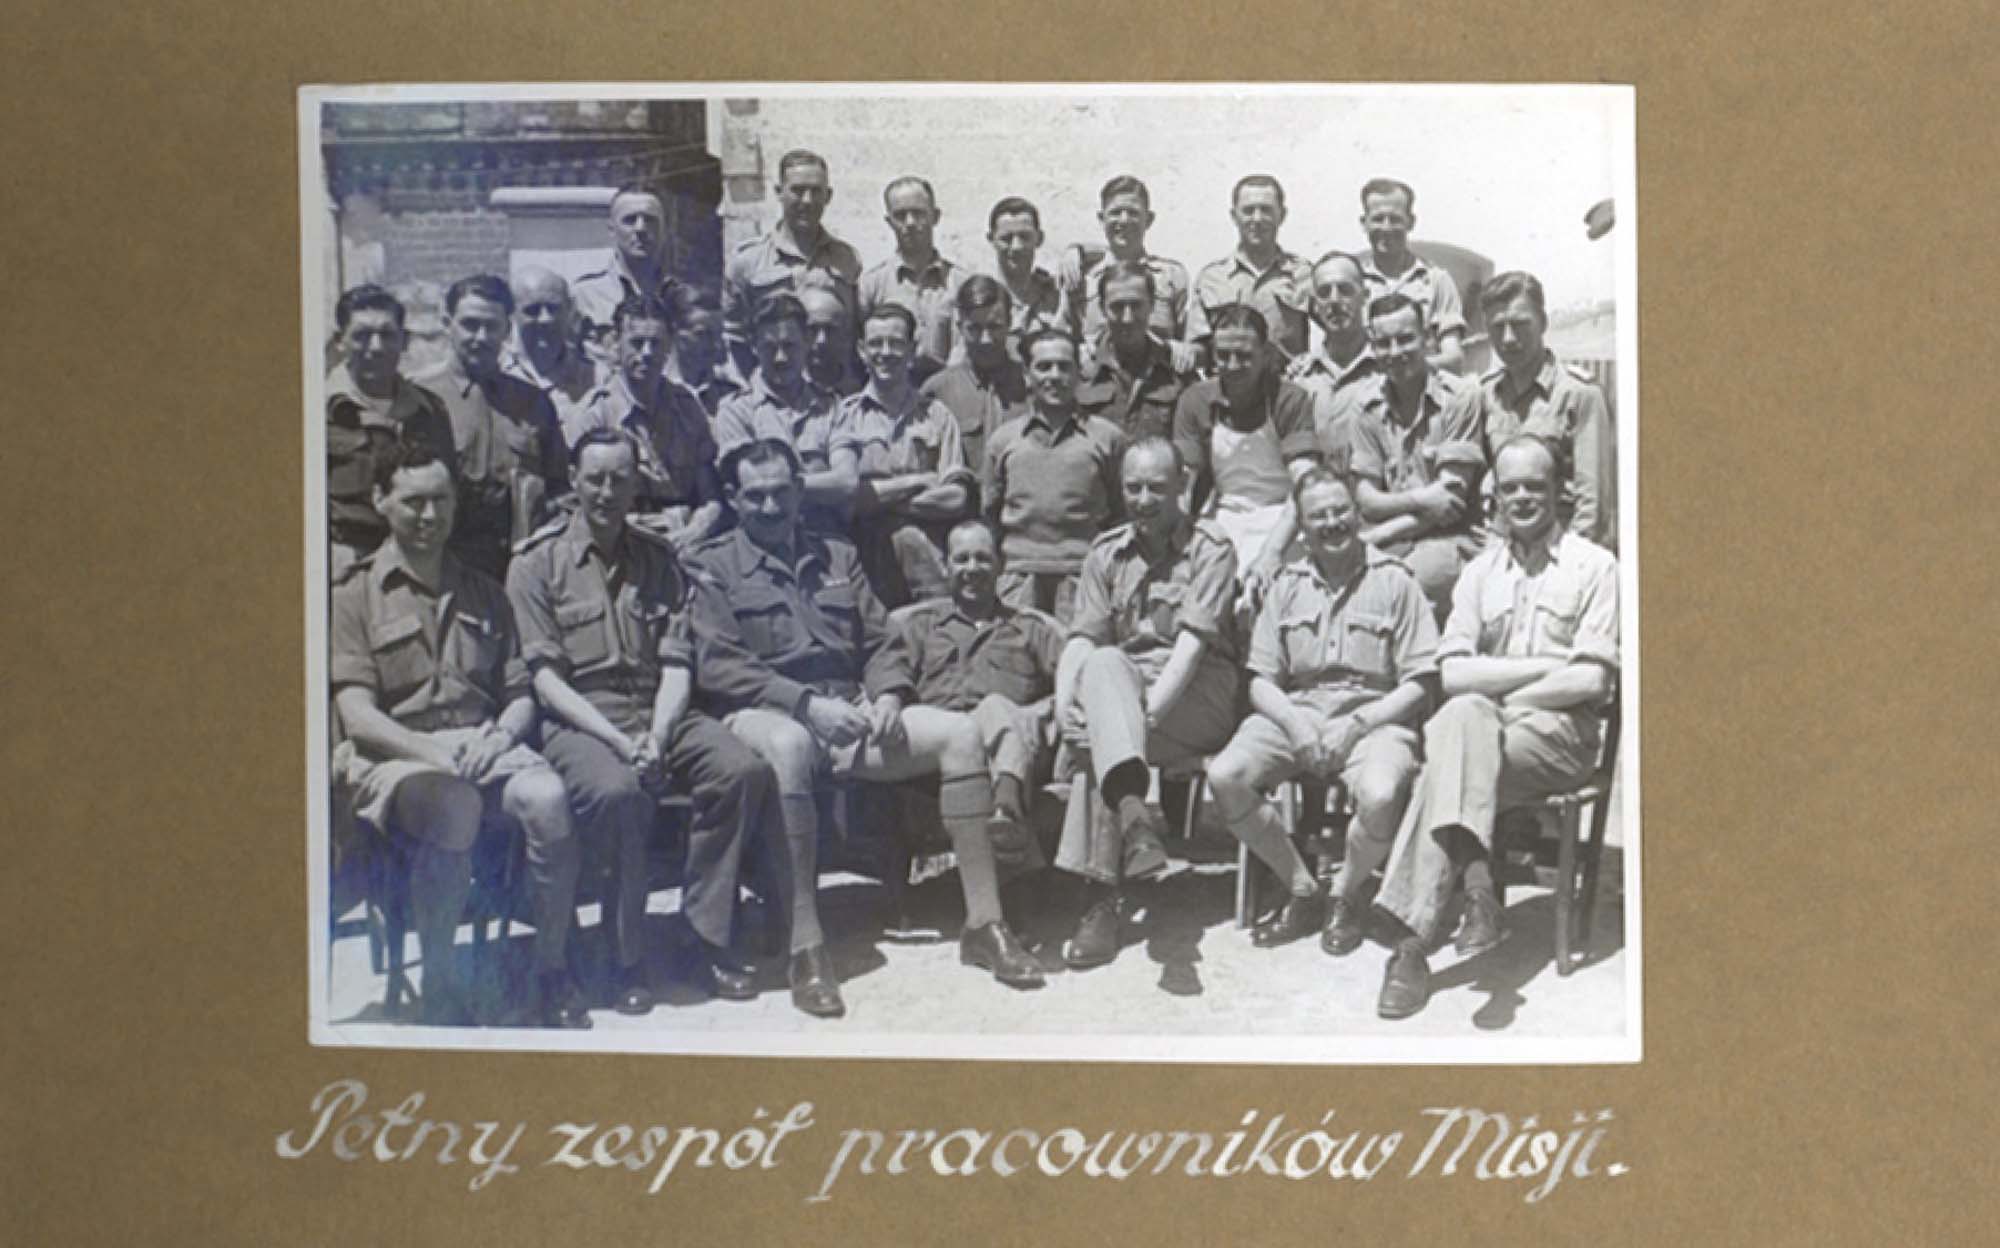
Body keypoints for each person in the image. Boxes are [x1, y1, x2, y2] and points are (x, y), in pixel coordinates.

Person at [685, 441, 1048, 1016]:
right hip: (763, 712)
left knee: (958, 734)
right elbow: (721, 665)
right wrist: (805, 704)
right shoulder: (712, 566)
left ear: (800, 492)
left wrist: (887, 695)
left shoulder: (836, 556)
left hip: (848, 710)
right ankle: (806, 947)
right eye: (756, 497)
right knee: (789, 745)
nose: (772, 506)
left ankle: (984, 923)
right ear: (734, 500)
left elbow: (881, 640)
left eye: (782, 492)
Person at [507, 429, 778, 1018]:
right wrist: (618, 742)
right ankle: (624, 956)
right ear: (573, 483)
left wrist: (656, 736)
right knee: (618, 792)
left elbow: (678, 662)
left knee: (741, 771)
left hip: (659, 708)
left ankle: (702, 936)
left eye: (620, 479)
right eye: (595, 478)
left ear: (638, 485)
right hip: (581, 718)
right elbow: (546, 682)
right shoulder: (536, 563)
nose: (607, 491)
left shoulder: (660, 562)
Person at [1369, 435, 1619, 1020]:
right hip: (1487, 730)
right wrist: (1548, 665)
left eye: (1535, 484)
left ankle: (1414, 940)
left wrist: (1503, 690)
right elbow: (1453, 676)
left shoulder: (1596, 566)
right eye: (1511, 488)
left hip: (1559, 740)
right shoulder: (1479, 573)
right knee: (1461, 717)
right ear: (1496, 498)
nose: (1523, 497)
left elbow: (1591, 685)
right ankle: (1477, 896)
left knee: (1454, 746)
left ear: (1560, 490)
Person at [329, 440, 574, 1027]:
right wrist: (436, 753)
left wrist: (500, 738)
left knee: (549, 799)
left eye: (441, 500)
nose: (429, 517)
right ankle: (440, 987)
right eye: (413, 502)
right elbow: (358, 715)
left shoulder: (484, 592)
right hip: (397, 757)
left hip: (481, 746)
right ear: (381, 500)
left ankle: (550, 973)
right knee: (454, 805)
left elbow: (519, 693)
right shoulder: (354, 594)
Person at [1204, 468, 1436, 950]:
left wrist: (1357, 725)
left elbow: (1420, 683)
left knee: (1379, 793)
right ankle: (1302, 889)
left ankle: (1344, 896)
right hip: (1297, 713)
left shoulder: (1396, 581)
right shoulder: (1287, 585)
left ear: (1357, 514)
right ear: (1303, 527)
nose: (1332, 524)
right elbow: (1259, 680)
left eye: (1341, 512)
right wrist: (1294, 725)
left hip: (1375, 719)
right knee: (1226, 775)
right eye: (1319, 517)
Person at [1049, 438, 1242, 968]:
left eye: (1157, 487)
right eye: (1132, 487)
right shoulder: (1105, 552)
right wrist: (1066, 709)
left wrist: (1136, 719)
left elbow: (1191, 648)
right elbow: (1083, 640)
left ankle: (1099, 902)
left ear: (1183, 486)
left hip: (1198, 693)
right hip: (1125, 689)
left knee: (1105, 740)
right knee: (1104, 666)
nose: (1143, 498)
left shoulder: (1211, 548)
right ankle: (1135, 822)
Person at [876, 518, 1067, 836]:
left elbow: (1074, 683)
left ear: (1001, 565)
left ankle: (1007, 807)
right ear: (946, 566)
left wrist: (1038, 715)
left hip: (1014, 744)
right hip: (940, 752)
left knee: (997, 709)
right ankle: (1006, 819)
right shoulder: (920, 626)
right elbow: (889, 676)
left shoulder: (1030, 628)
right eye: (961, 559)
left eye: (983, 558)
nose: (972, 568)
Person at [410, 274, 568, 582]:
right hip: (442, 564)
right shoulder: (419, 399)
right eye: (469, 324)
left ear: (507, 330)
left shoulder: (532, 403)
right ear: (447, 323)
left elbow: (560, 490)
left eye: (491, 326)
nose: (480, 337)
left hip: (517, 565)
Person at [1344, 293, 1491, 618]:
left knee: (1399, 587)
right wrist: (1424, 496)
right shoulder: (1365, 405)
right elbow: (1366, 497)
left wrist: (1376, 536)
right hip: (1392, 539)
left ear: (1427, 339)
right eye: (1384, 343)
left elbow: (1449, 505)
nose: (1395, 352)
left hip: (1450, 539)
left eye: (1405, 339)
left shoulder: (1460, 398)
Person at [1170, 305, 1321, 593]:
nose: (1233, 365)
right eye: (1223, 356)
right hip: (1224, 517)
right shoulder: (1196, 400)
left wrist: (1272, 553)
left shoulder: (1289, 399)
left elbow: (1305, 483)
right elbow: (1184, 485)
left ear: (1265, 355)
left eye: (1245, 356)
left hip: (1285, 517)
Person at [981, 328, 1129, 622]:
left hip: (1083, 574)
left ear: (1079, 374)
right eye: (1043, 366)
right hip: (1018, 576)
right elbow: (989, 515)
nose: (1054, 375)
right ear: (1027, 374)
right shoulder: (1003, 440)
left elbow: (1121, 513)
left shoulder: (1107, 437)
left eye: (1064, 366)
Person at [836, 302, 977, 607]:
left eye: (896, 343)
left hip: (928, 565)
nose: (885, 352)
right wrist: (920, 481)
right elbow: (848, 499)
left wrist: (881, 501)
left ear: (912, 350)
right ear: (861, 350)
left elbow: (955, 499)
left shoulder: (937, 416)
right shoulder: (844, 417)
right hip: (862, 565)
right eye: (875, 343)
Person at [571, 294, 727, 550]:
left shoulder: (687, 408)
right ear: (616, 345)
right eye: (637, 343)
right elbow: (578, 504)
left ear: (669, 347)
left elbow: (711, 497)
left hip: (685, 540)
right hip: (621, 543)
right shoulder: (594, 415)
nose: (647, 353)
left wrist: (693, 532)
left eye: (656, 343)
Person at [325, 284, 457, 578]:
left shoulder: (430, 411)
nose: (376, 347)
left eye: (387, 335)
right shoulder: (320, 413)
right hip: (347, 568)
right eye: (361, 336)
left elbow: (447, 490)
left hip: (420, 564)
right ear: (339, 342)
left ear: (404, 341)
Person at [1477, 270, 1615, 549]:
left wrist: (1565, 569)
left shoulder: (1580, 395)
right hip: (1502, 546)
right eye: (1497, 327)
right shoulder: (1486, 394)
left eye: (1520, 324)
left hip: (1561, 548)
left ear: (1543, 323)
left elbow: (1593, 509)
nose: (1508, 338)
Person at [711, 293, 851, 535]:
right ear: (753, 346)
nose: (781, 358)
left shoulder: (832, 407)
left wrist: (777, 486)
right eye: (769, 347)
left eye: (790, 346)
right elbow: (746, 490)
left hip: (827, 542)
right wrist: (818, 482)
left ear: (807, 341)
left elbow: (846, 483)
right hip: (762, 544)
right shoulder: (735, 411)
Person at [723, 150, 862, 380]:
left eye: (816, 192)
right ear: (779, 192)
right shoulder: (748, 262)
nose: (807, 201)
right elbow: (736, 340)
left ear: (828, 196)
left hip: (833, 396)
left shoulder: (847, 259)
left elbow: (852, 334)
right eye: (797, 191)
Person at [1057, 176, 1199, 372]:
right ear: (1101, 218)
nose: (1124, 220)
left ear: (1148, 220)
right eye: (1115, 212)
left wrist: (1184, 349)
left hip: (1158, 381)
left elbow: (1191, 339)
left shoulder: (1171, 276)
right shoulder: (1082, 276)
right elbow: (1059, 338)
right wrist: (1077, 351)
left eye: (1133, 213)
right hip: (1097, 383)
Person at [1188, 175, 1315, 361]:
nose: (1257, 219)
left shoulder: (1304, 274)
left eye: (1266, 210)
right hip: (1230, 381)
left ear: (1282, 215)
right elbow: (1197, 346)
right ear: (1234, 216)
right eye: (1248, 211)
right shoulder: (1211, 278)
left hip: (1286, 383)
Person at [857, 176, 964, 384]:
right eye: (900, 215)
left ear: (935, 216)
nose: (910, 223)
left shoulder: (960, 283)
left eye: (918, 213)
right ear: (889, 222)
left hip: (948, 396)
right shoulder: (871, 285)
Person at [921, 275, 1030, 477]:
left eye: (995, 327)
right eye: (974, 329)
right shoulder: (937, 392)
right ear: (960, 326)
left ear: (1010, 322)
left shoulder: (1032, 385)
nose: (986, 339)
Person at [1074, 260, 1196, 442]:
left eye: (1136, 305)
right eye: (1117, 307)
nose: (1127, 318)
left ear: (1152, 305)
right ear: (1102, 309)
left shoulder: (1176, 370)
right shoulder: (1081, 370)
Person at [1356, 178, 1467, 375]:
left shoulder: (1436, 281)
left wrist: (1402, 370)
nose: (1386, 227)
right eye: (1378, 219)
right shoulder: (1352, 283)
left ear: (1411, 222)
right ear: (1364, 223)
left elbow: (1453, 358)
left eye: (1395, 219)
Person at [1287, 250, 1382, 465]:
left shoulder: (1387, 370)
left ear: (1365, 296)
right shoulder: (1300, 379)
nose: (1335, 301)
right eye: (1324, 292)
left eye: (1345, 290)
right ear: (1315, 304)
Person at [573, 186, 682, 357]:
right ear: (611, 229)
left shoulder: (680, 296)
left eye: (650, 220)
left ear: (664, 229)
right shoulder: (584, 296)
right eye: (630, 220)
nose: (640, 228)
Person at [501, 267, 600, 434]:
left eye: (553, 309)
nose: (545, 319)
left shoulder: (597, 378)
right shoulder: (497, 375)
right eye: (532, 310)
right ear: (512, 314)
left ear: (569, 309)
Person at [983, 196, 1068, 359]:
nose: (1016, 247)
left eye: (1025, 237)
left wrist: (1077, 250)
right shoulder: (982, 299)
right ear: (991, 240)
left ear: (1039, 238)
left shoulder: (1057, 294)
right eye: (1006, 239)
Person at [661, 285, 743, 418]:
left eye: (719, 334)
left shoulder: (732, 396)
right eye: (703, 334)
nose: (716, 345)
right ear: (674, 332)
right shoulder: (655, 394)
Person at [800, 284, 865, 399]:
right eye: (812, 329)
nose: (821, 340)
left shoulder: (861, 393)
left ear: (845, 334)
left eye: (830, 329)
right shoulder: (782, 391)